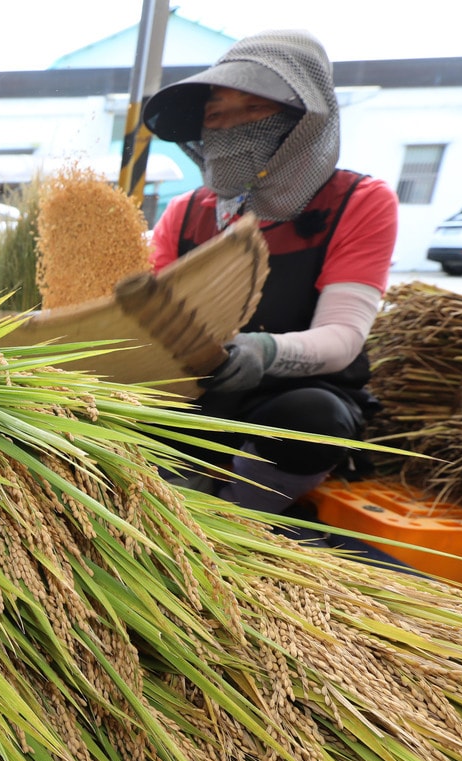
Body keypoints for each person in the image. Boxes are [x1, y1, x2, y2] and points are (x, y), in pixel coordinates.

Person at [143, 29, 398, 513]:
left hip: (288, 398)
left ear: (306, 120)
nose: (229, 127)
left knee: (311, 418)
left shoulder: (358, 203)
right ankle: (173, 499)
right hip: (196, 391)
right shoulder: (185, 212)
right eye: (215, 114)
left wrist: (261, 351)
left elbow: (342, 337)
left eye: (254, 109)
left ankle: (241, 513)